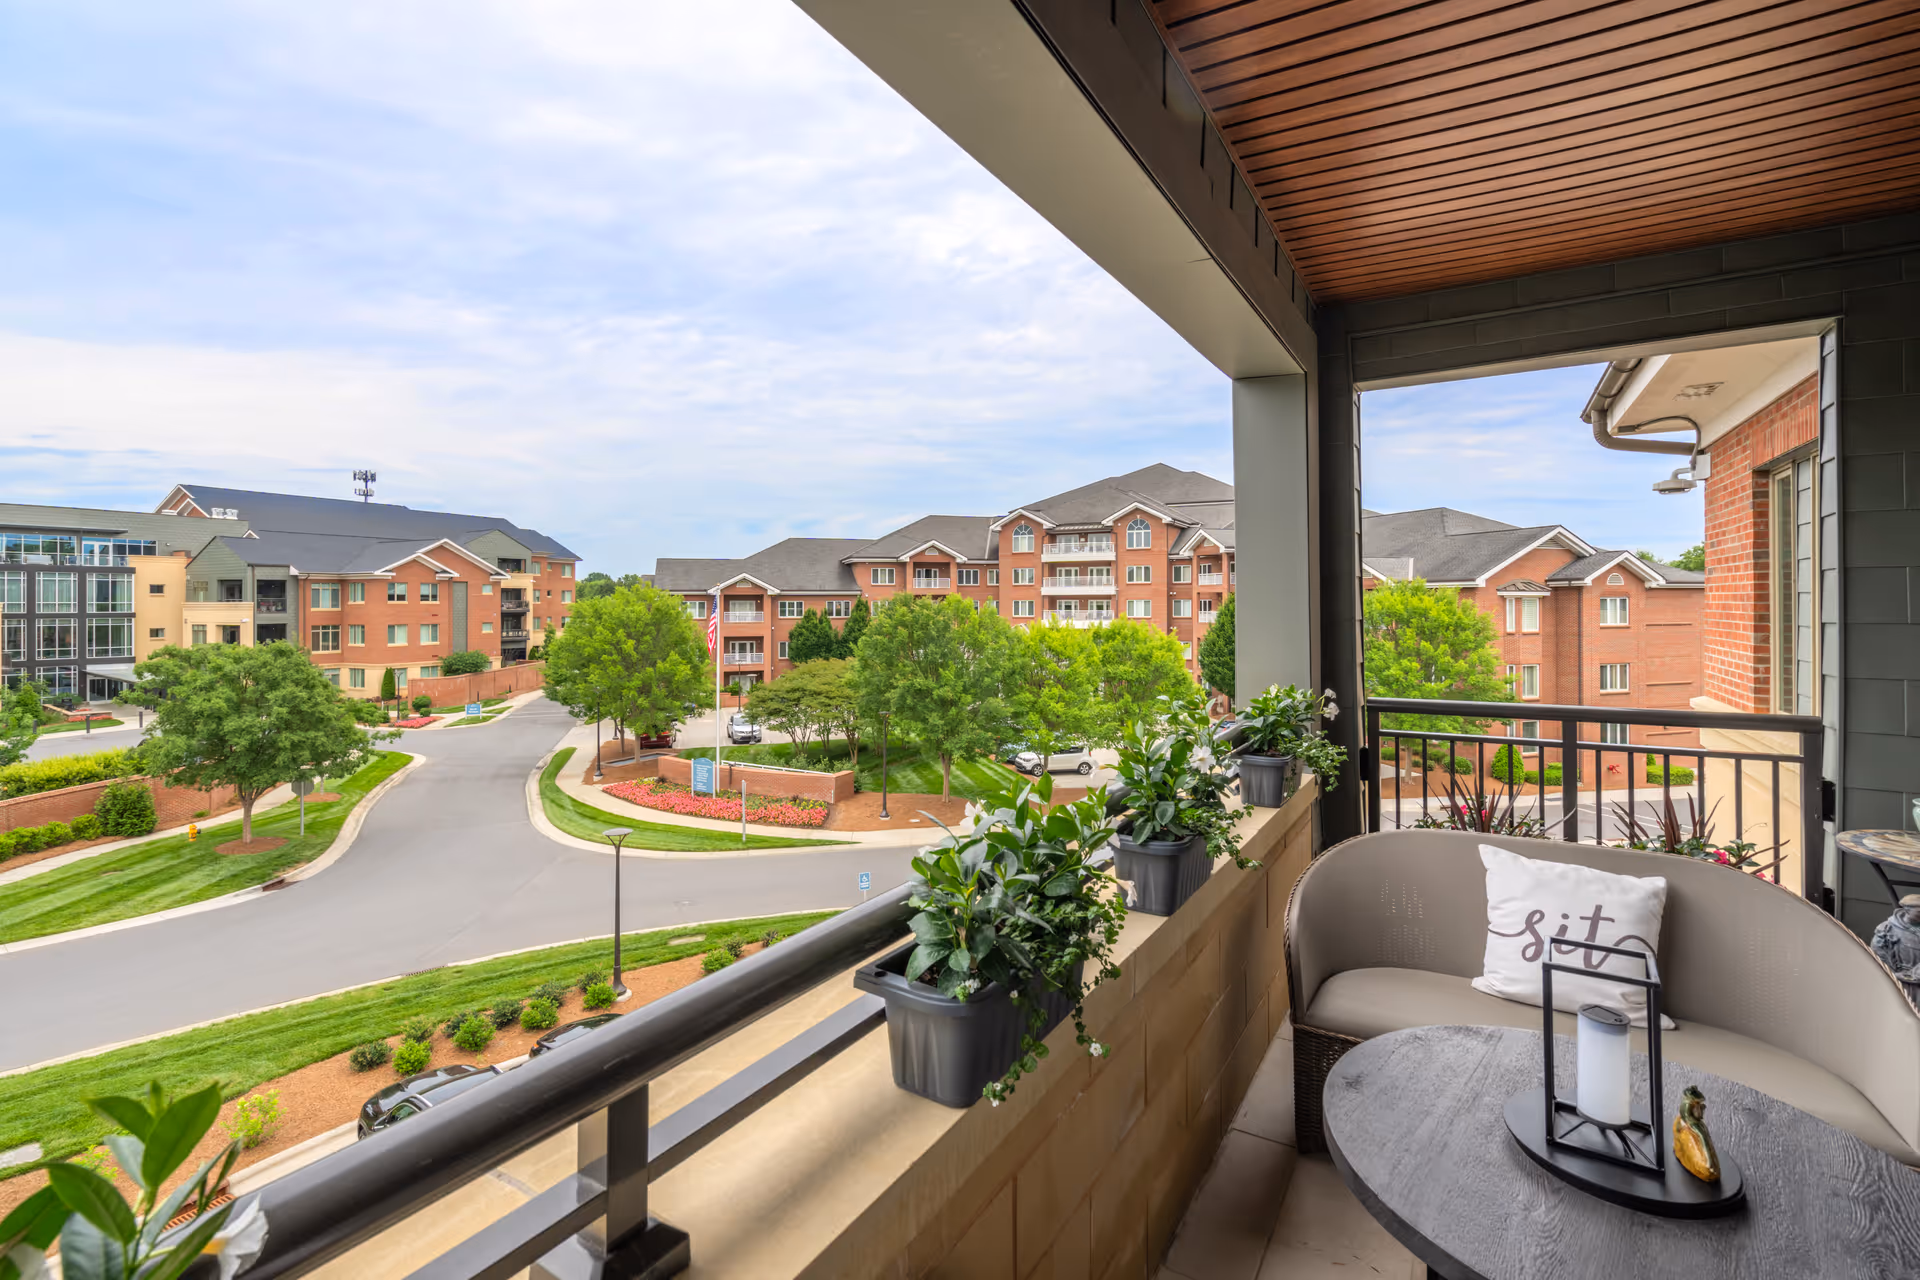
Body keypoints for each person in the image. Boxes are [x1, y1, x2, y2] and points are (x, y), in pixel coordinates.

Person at [1869, 892, 1920, 1011]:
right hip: (1897, 980)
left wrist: (1914, 974)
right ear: (1907, 910)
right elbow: (1878, 954)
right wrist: (1892, 973)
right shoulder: (1887, 929)